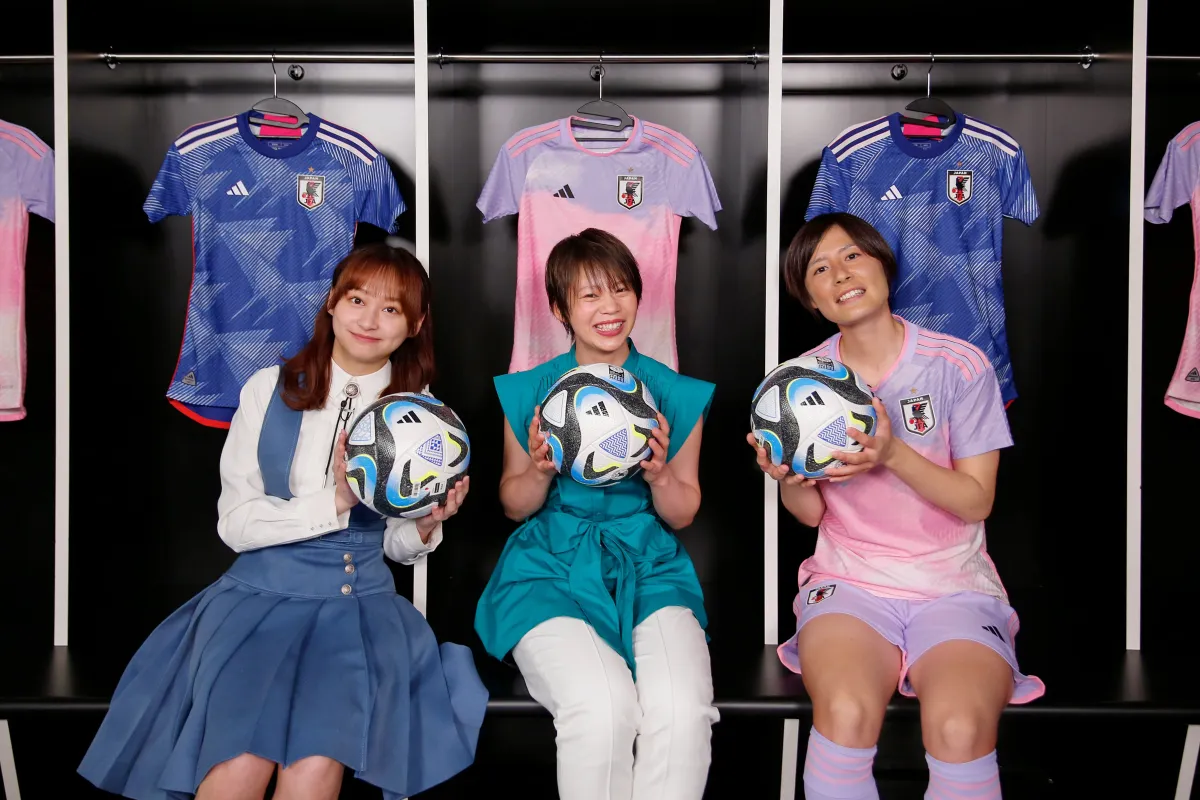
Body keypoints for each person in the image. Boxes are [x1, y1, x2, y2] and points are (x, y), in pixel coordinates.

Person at [78, 243, 488, 800]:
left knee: (314, 767)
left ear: (415, 324)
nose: (369, 320)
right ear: (331, 303)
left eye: (391, 309)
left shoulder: (425, 416)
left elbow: (395, 546)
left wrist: (423, 527)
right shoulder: (268, 389)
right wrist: (335, 501)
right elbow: (235, 523)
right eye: (357, 300)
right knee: (238, 764)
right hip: (256, 604)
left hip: (357, 611)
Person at [756, 213, 1043, 800]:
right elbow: (811, 514)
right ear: (810, 299)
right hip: (850, 582)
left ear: (883, 265)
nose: (841, 274)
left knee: (959, 728)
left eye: (852, 256)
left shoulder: (959, 364)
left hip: (953, 586)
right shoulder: (798, 382)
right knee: (845, 711)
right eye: (820, 269)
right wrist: (786, 477)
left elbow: (977, 500)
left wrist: (890, 453)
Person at [475, 228, 718, 800]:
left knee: (683, 712)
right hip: (548, 569)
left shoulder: (674, 392)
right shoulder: (531, 389)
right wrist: (539, 470)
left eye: (620, 289)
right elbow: (514, 504)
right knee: (602, 707)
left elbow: (683, 512)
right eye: (589, 295)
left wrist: (659, 476)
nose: (609, 307)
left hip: (648, 567)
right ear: (560, 309)